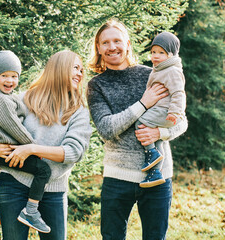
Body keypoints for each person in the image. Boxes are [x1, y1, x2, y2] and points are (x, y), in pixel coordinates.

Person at [87, 19, 188, 240]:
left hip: (159, 176)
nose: (112, 47)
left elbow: (181, 119)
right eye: (105, 42)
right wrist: (143, 103)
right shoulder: (96, 85)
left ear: (128, 44)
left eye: (117, 40)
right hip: (117, 176)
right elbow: (106, 128)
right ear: (98, 48)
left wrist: (160, 133)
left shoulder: (153, 74)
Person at [0, 50, 92, 240]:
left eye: (82, 70)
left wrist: (32, 149)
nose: (80, 74)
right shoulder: (24, 99)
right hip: (14, 183)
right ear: (59, 69)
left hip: (54, 189)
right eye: (75, 68)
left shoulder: (78, 110)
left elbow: (74, 151)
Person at [0, 50, 53, 233]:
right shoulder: (0, 100)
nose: (9, 81)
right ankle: (31, 211)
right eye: (4, 76)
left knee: (30, 172)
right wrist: (34, 148)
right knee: (43, 170)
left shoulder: (4, 97)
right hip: (6, 150)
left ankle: (3, 209)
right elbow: (15, 128)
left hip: (3, 149)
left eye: (14, 76)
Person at [136, 32, 186, 188]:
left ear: (170, 54)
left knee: (140, 122)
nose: (155, 56)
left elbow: (178, 93)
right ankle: (155, 173)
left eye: (161, 52)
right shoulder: (159, 70)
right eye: (153, 52)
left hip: (166, 111)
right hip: (162, 110)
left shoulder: (172, 71)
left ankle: (152, 153)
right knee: (153, 135)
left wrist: (175, 112)